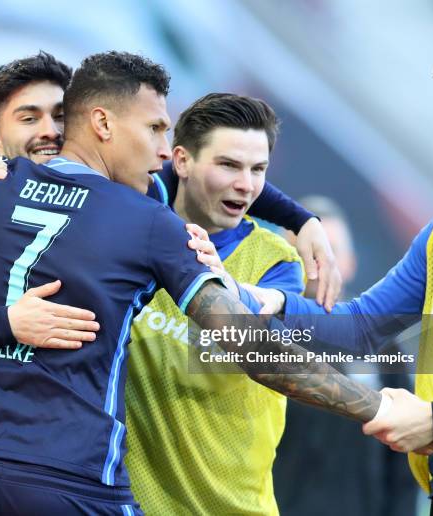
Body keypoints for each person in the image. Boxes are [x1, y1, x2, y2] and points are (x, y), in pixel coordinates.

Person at [0, 51, 384, 515]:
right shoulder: (148, 219)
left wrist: (299, 217)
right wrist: (378, 407)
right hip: (79, 481)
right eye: (154, 130)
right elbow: (251, 349)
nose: (164, 151)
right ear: (102, 123)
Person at [0, 58, 342, 312]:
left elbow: (217, 173)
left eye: (60, 115)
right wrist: (5, 325)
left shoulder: (141, 199)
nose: (51, 132)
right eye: (29, 118)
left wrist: (301, 224)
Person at [124, 92, 304, 515]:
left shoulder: (277, 263)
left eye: (258, 170)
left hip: (228, 506)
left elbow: (263, 355)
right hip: (125, 500)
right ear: (182, 162)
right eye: (229, 165)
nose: (247, 185)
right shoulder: (131, 225)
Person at [253, 215, 433, 504]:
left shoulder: (387, 357)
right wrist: (281, 302)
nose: (318, 265)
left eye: (330, 252)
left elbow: (397, 476)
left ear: (351, 261)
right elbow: (362, 325)